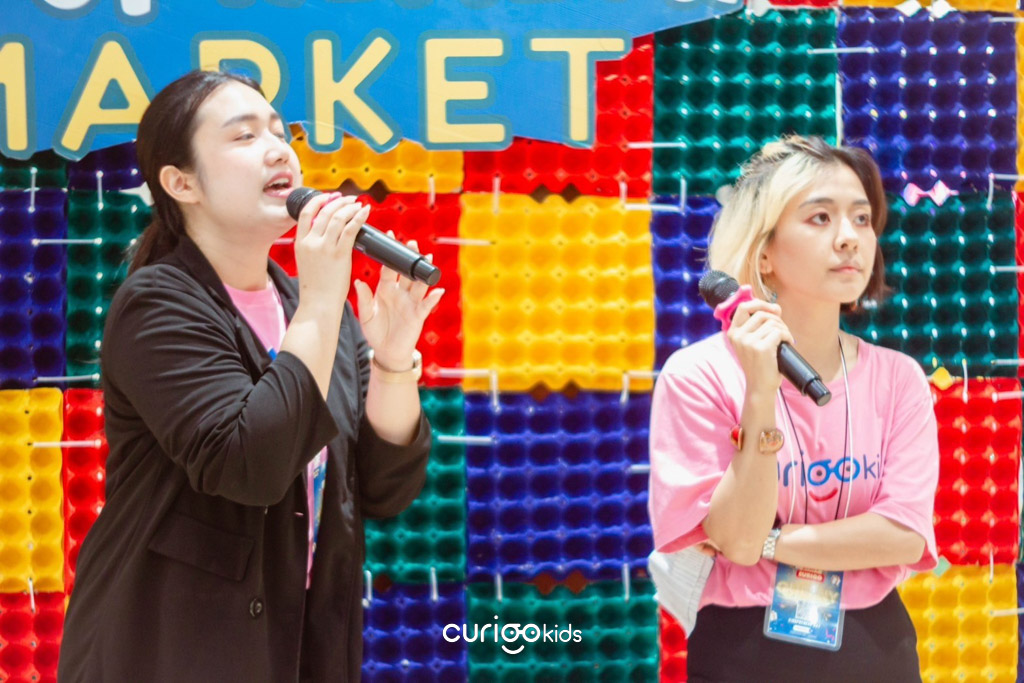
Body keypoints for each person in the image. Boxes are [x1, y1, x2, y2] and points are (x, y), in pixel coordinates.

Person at [58, 70, 443, 682]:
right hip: (171, 647)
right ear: (181, 183)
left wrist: (394, 359)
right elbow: (251, 465)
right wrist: (322, 298)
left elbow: (381, 488)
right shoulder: (159, 304)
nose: (277, 149)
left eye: (279, 133)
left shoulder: (316, 311)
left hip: (303, 643)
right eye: (243, 136)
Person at [648, 135, 938, 682]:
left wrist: (771, 542)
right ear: (764, 252)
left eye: (861, 218)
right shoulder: (699, 375)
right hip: (743, 650)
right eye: (820, 218)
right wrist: (760, 391)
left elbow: (903, 535)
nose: (849, 238)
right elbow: (735, 538)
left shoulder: (898, 378)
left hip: (877, 645)